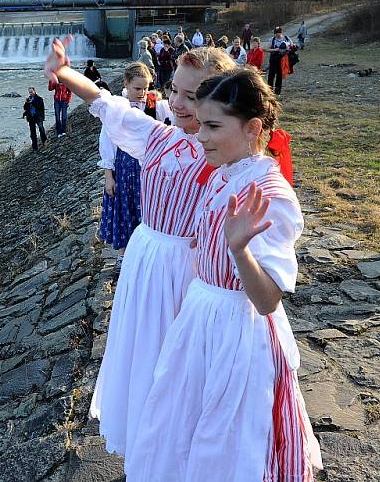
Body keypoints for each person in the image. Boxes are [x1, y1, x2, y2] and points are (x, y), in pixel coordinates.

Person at [44, 38, 237, 464]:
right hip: (145, 263)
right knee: (143, 353)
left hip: (187, 273)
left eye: (194, 95)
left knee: (177, 363)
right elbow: (105, 102)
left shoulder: (223, 157)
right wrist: (64, 71)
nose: (181, 102)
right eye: (175, 91)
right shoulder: (157, 138)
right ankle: (147, 446)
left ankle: (179, 448)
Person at [126, 68, 322, 481]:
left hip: (239, 331)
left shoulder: (269, 193)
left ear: (253, 128)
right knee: (182, 421)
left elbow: (267, 300)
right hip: (202, 316)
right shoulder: (225, 171)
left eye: (213, 125)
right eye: (201, 122)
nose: (201, 136)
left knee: (226, 440)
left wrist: (239, 248)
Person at [98, 62, 172, 265]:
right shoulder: (117, 108)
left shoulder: (155, 106)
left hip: (149, 167)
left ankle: (146, 256)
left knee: (147, 209)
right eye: (137, 88)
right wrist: (108, 176)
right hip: (123, 166)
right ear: (126, 84)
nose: (142, 92)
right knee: (124, 208)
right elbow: (107, 142)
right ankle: (123, 256)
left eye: (146, 88)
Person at [266, 27, 293, 95]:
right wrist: (276, 49)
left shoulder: (286, 38)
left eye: (277, 33)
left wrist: (287, 47)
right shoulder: (272, 39)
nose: (276, 35)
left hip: (282, 59)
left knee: (279, 75)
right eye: (275, 34)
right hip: (273, 59)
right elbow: (267, 49)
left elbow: (292, 46)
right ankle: (270, 91)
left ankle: (277, 92)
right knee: (271, 75)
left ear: (280, 33)